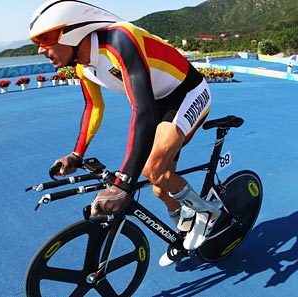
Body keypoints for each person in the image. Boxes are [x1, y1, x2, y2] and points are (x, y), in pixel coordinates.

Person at [29, 0, 222, 266]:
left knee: (153, 169)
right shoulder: (81, 67)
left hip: (187, 92)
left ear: (72, 30)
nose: (41, 49)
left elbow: (143, 112)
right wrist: (76, 154)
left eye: (46, 38)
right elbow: (93, 106)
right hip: (158, 103)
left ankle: (208, 212)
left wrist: (124, 184)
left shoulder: (120, 39)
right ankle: (185, 220)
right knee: (159, 188)